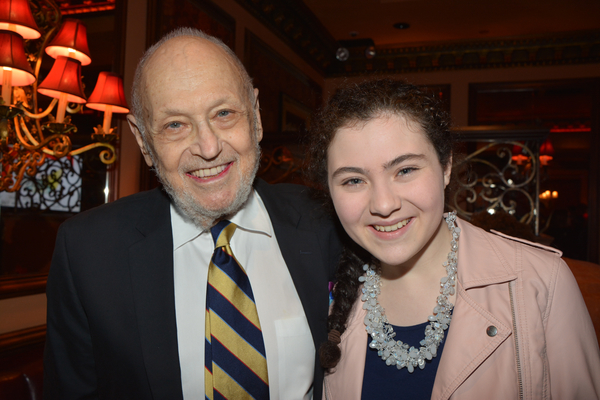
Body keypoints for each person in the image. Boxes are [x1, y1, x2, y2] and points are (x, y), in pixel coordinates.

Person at [44, 27, 341, 400]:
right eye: (175, 125)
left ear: (256, 116)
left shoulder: (326, 222)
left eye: (224, 113)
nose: (208, 146)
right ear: (143, 142)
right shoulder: (88, 252)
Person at [307, 79, 600, 399]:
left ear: (446, 167)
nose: (383, 204)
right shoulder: (327, 293)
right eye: (353, 180)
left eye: (405, 170)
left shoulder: (540, 282)